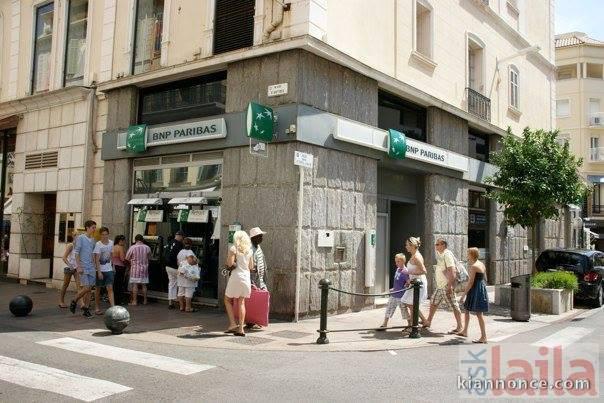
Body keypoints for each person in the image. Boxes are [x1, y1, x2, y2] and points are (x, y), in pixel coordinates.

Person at [423, 238, 463, 334]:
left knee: (454, 306)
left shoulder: (447, 254)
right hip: (440, 286)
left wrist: (450, 286)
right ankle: (428, 321)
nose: (435, 246)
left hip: (446, 286)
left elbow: (452, 270)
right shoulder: (440, 254)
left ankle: (460, 326)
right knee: (433, 302)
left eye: (437, 244)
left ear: (443, 245)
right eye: (436, 244)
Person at [224, 230, 254, 337]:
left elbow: (230, 264)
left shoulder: (233, 248)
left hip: (236, 277)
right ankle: (241, 328)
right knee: (241, 302)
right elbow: (251, 267)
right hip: (246, 277)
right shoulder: (249, 250)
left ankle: (232, 324)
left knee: (227, 300)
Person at [458, 247, 488, 344]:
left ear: (471, 255)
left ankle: (484, 337)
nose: (467, 255)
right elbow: (485, 278)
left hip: (475, 289)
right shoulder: (481, 264)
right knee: (467, 310)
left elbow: (470, 282)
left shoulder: (474, 266)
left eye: (468, 253)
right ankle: (465, 331)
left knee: (479, 314)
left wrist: (463, 295)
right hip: (480, 288)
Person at [400, 237, 429, 332]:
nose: (406, 246)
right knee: (410, 303)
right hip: (414, 283)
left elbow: (424, 271)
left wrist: (408, 272)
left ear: (412, 246)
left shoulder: (416, 257)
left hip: (418, 283)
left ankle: (415, 325)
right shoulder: (414, 255)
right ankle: (420, 322)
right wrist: (409, 279)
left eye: (407, 245)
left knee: (410, 303)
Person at [69, 220, 97, 318]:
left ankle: (86, 309)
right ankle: (74, 300)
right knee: (86, 288)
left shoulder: (93, 240)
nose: (94, 229)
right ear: (87, 228)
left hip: (91, 267)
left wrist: (95, 266)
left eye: (95, 227)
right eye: (93, 227)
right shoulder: (81, 238)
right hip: (83, 267)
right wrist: (78, 266)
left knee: (89, 290)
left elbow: (93, 254)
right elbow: (76, 253)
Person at [378, 253, 409, 329]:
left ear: (403, 261)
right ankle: (385, 324)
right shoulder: (397, 270)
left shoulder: (405, 271)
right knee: (389, 308)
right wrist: (394, 288)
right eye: (396, 261)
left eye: (398, 261)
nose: (396, 263)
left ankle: (410, 324)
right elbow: (397, 281)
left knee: (404, 310)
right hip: (394, 294)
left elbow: (408, 282)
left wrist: (406, 285)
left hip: (401, 296)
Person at [246, 227, 268, 330]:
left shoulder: (258, 246)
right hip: (252, 278)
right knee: (252, 300)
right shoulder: (249, 248)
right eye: (260, 236)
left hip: (260, 278)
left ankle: (257, 319)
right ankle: (251, 321)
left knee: (261, 298)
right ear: (254, 237)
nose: (262, 238)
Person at [93, 227, 114, 315]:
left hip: (109, 269)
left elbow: (111, 255)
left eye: (106, 234)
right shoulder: (98, 244)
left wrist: (112, 266)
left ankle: (113, 307)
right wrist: (99, 272)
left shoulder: (111, 243)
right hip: (100, 269)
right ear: (100, 235)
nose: (104, 236)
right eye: (103, 235)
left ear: (108, 234)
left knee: (110, 288)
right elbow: (97, 259)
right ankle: (97, 307)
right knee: (98, 289)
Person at [125, 234, 151, 305]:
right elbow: (149, 257)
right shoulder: (147, 247)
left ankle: (135, 301)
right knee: (144, 285)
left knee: (135, 285)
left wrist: (131, 261)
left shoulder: (132, 247)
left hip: (135, 269)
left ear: (135, 240)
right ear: (142, 240)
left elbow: (127, 258)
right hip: (144, 269)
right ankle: (145, 301)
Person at [59, 234, 81, 308]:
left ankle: (82, 303)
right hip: (69, 268)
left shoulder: (79, 247)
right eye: (77, 237)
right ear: (74, 237)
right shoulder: (71, 245)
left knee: (79, 286)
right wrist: (70, 265)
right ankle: (61, 301)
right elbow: (64, 257)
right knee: (65, 285)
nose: (79, 239)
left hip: (76, 268)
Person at [165, 230, 185, 310]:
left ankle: (170, 303)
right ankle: (181, 303)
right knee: (180, 284)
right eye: (182, 237)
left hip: (168, 267)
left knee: (171, 284)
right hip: (175, 267)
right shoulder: (180, 244)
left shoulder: (169, 243)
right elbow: (180, 257)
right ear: (180, 236)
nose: (182, 239)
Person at [112, 235, 128, 306]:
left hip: (114, 266)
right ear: (120, 241)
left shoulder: (113, 247)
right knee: (120, 284)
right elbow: (122, 259)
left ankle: (113, 299)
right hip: (120, 267)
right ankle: (118, 300)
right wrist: (128, 264)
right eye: (124, 240)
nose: (124, 242)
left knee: (115, 284)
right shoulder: (120, 248)